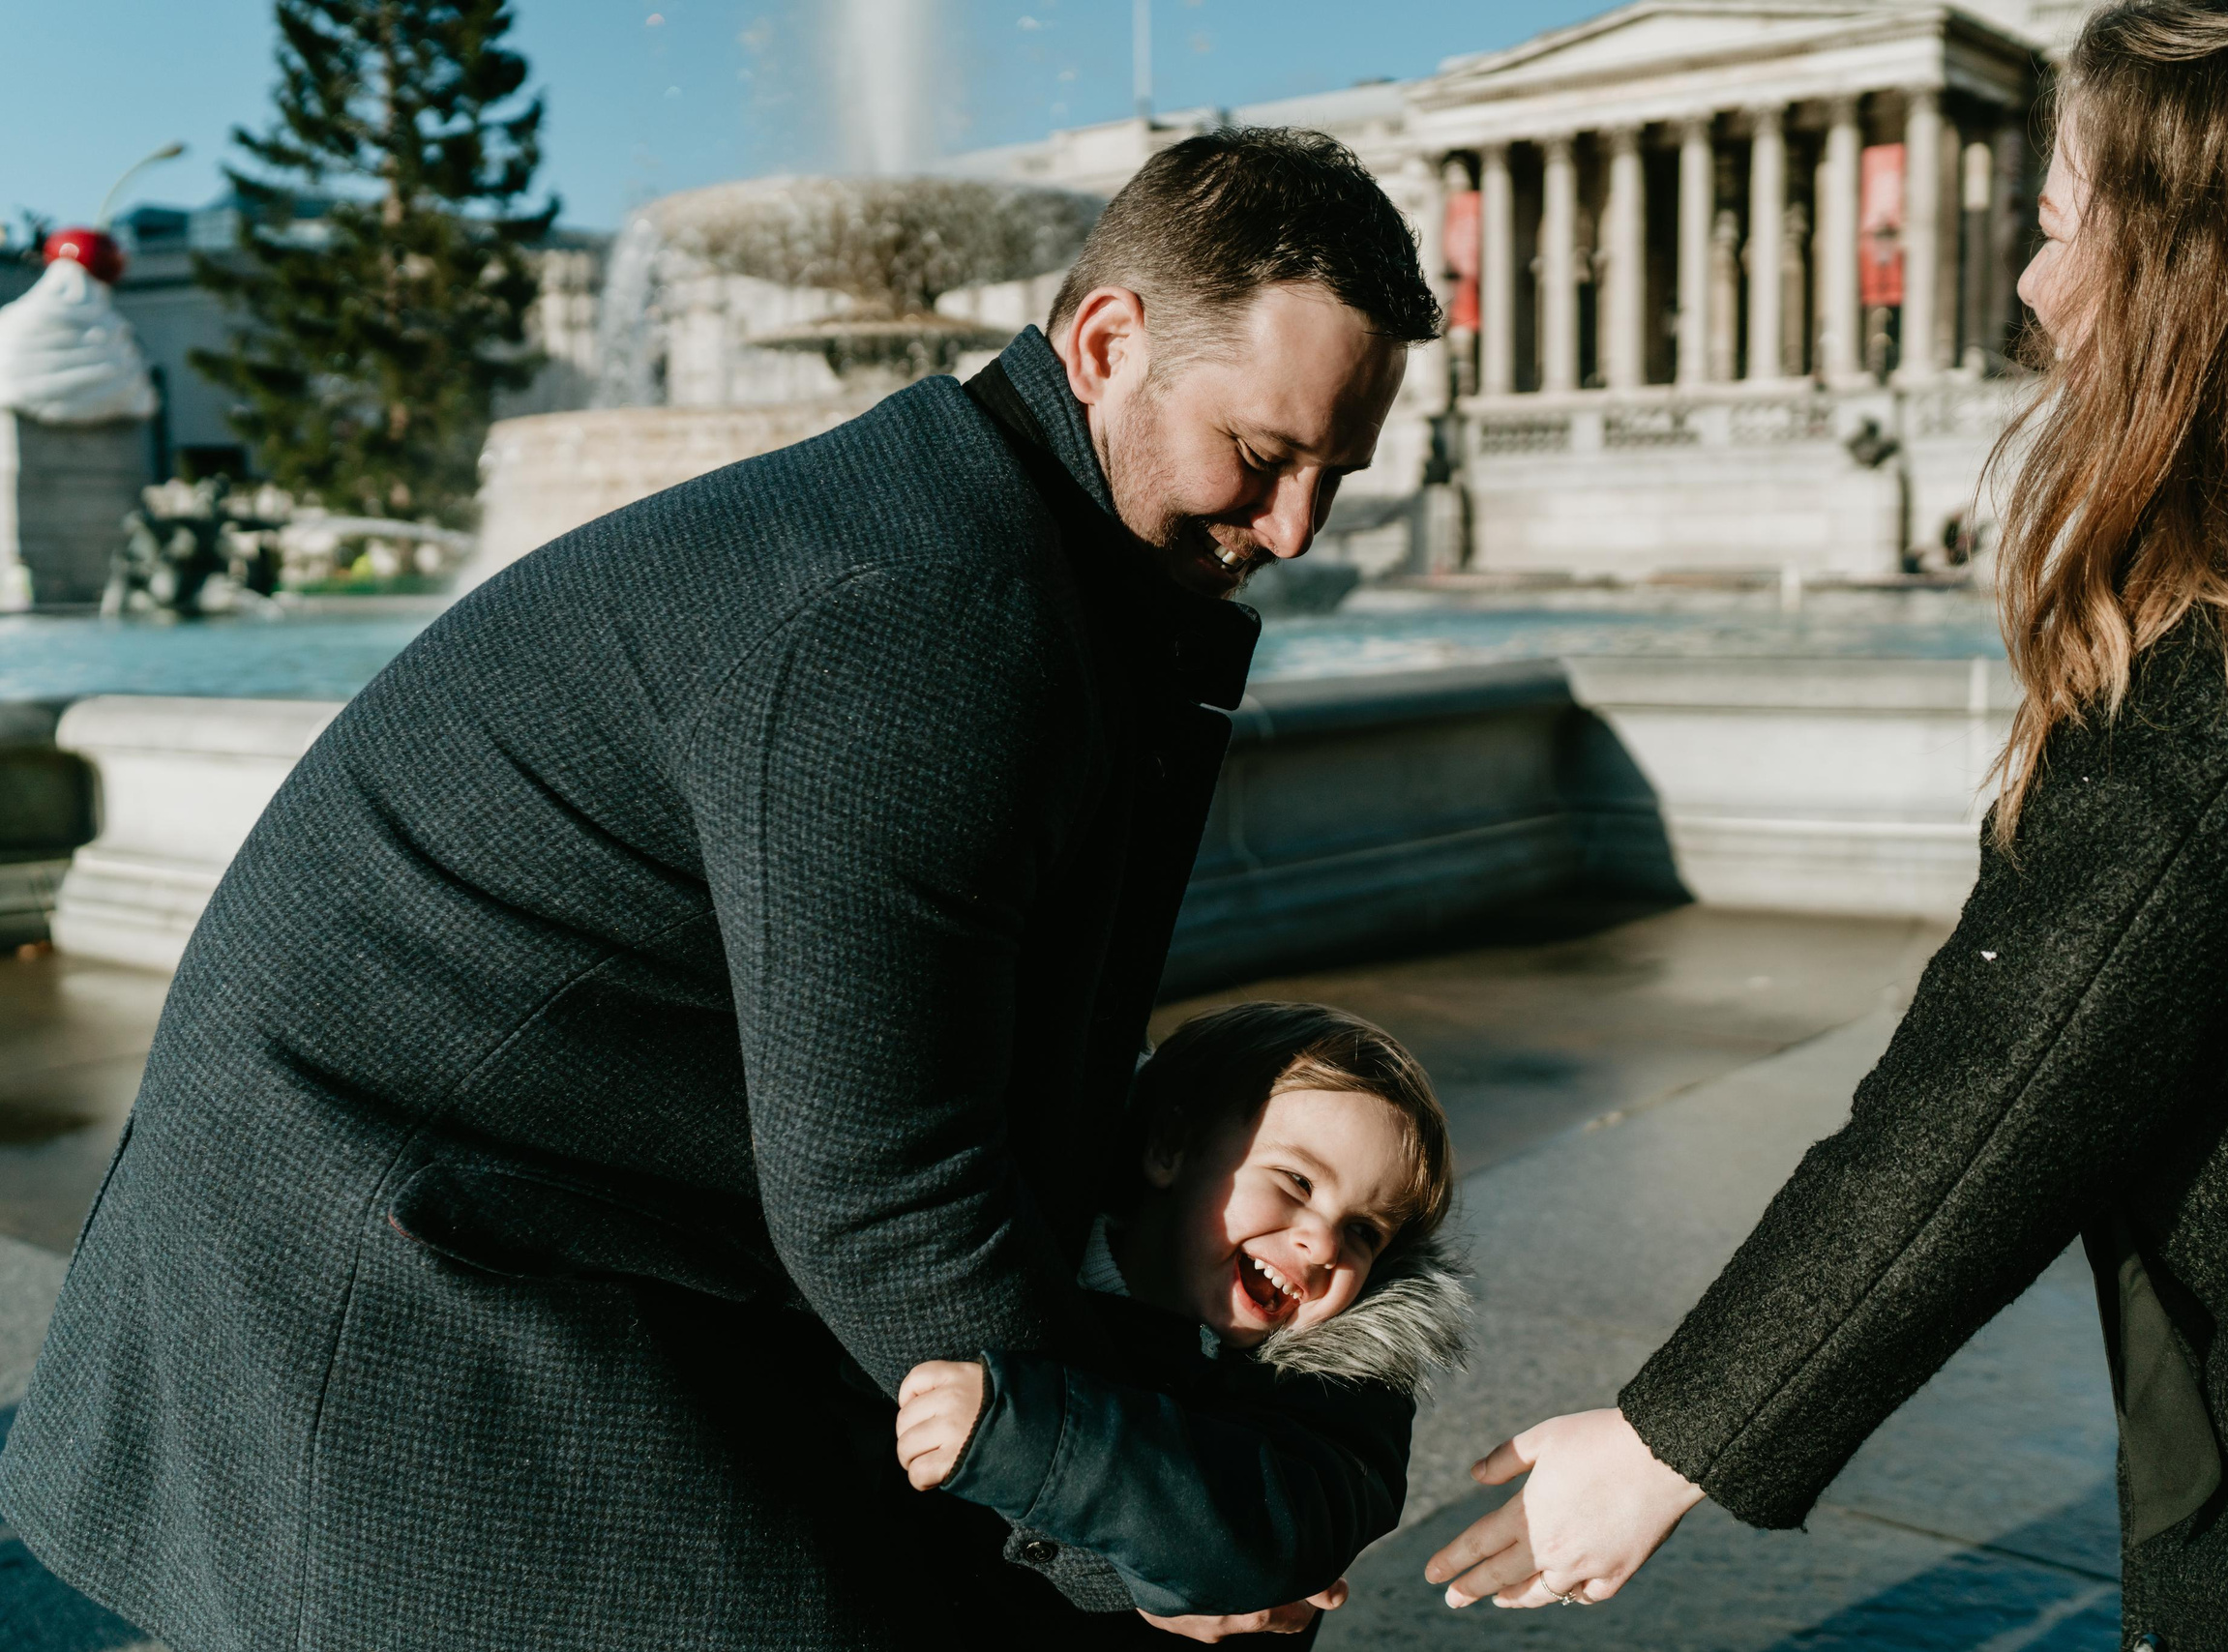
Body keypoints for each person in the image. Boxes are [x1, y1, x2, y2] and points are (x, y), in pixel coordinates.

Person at [0, 128, 1439, 1651]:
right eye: (1264, 456)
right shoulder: (925, 618)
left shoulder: (982, 546)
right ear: (1105, 342)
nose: (1292, 532)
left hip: (513, 1198)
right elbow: (888, 1195)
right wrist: (1140, 1546)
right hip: (402, 1275)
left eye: (1333, 477)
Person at [1424, 1, 2228, 1644]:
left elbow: (2006, 1073)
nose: (2035, 291)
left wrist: (1667, 1436)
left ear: (2215, 273)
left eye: (2061, 229)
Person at [896, 1001, 1470, 1642]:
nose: (1324, 1244)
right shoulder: (1029, 1274)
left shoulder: (1346, 1389)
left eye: (1364, 1231)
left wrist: (1036, 1441)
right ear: (1171, 1147)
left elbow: (1277, 1535)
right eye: (1297, 1181)